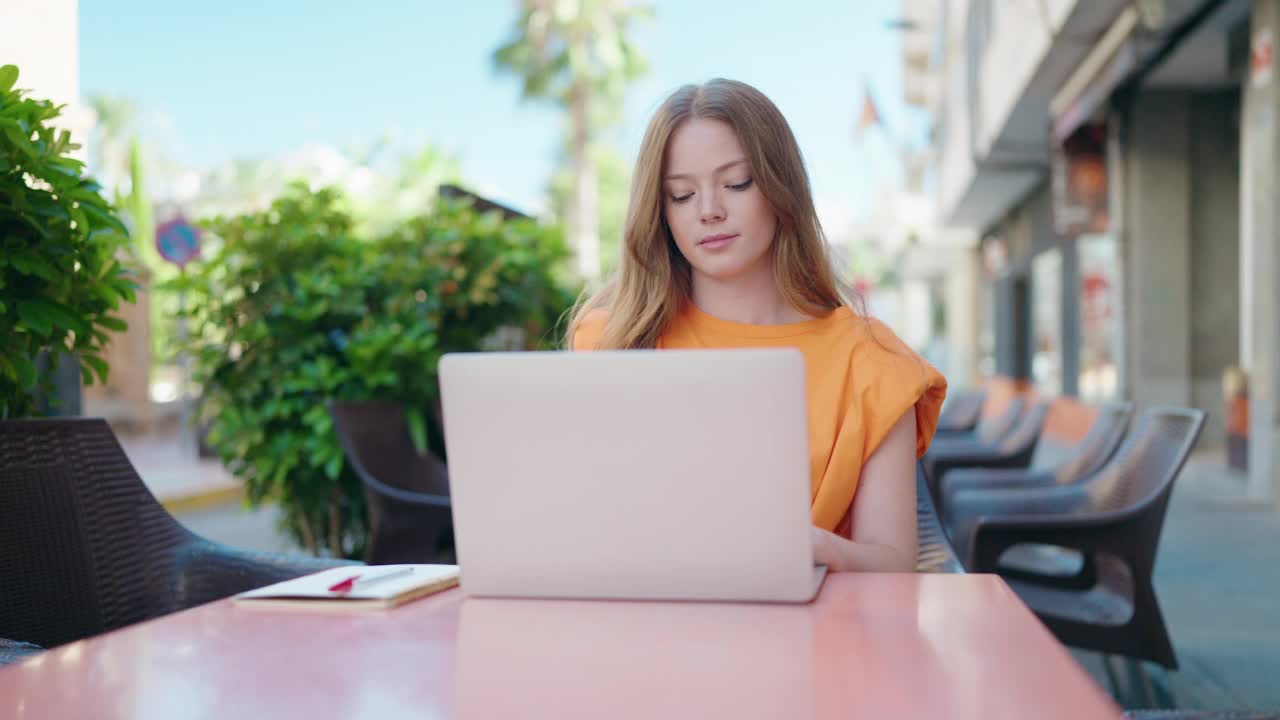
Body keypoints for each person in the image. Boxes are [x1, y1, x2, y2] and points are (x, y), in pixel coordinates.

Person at [567, 78, 947, 572]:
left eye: (737, 184)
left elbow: (893, 566)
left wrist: (806, 548)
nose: (709, 211)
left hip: (809, 636)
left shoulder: (871, 362)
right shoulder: (610, 343)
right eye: (680, 195)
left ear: (779, 188)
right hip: (641, 630)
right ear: (659, 213)